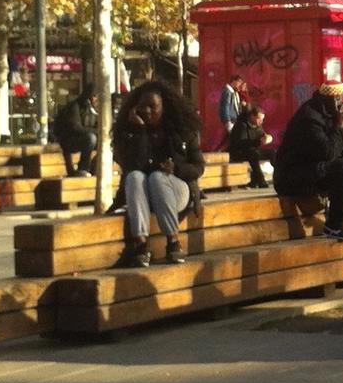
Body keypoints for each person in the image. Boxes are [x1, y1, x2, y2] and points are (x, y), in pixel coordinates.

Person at [110, 80, 205, 267]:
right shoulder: (129, 132)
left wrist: (176, 169)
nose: (147, 111)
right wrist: (140, 131)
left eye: (153, 106)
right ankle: (140, 245)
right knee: (135, 177)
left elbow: (198, 167)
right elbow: (132, 165)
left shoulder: (182, 130)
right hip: (145, 196)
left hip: (177, 190)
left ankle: (173, 241)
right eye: (142, 106)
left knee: (157, 177)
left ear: (164, 107)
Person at [274, 81, 343, 239]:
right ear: (330, 100)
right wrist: (338, 126)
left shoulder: (328, 115)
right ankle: (334, 226)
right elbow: (328, 152)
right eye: (339, 100)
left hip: (314, 170)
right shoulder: (309, 117)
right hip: (293, 175)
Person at [54, 89, 99, 178]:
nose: (96, 99)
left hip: (84, 137)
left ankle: (95, 166)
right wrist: (97, 131)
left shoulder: (95, 109)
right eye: (94, 96)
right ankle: (83, 168)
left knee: (110, 141)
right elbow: (76, 128)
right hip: (69, 140)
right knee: (91, 138)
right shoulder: (74, 106)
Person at [225, 104, 273, 189]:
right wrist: (258, 141)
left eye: (262, 119)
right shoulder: (241, 125)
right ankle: (260, 180)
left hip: (252, 150)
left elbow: (263, 135)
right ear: (252, 116)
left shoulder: (258, 126)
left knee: (273, 152)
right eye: (259, 119)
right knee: (252, 154)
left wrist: (268, 138)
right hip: (238, 152)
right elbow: (242, 144)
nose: (261, 122)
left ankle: (279, 176)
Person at [218, 74, 249, 138]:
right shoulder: (228, 92)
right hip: (231, 121)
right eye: (239, 82)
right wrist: (227, 122)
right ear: (234, 81)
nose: (240, 85)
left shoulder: (234, 93)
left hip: (235, 121)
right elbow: (225, 107)